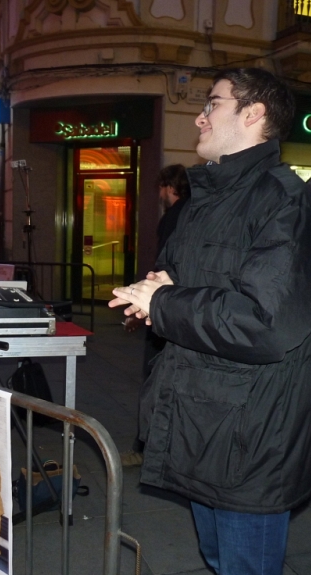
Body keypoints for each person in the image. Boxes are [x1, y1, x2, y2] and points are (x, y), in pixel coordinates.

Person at [110, 67, 311, 575]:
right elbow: (208, 283)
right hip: (201, 420)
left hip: (251, 434)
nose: (199, 115)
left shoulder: (285, 202)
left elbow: (266, 323)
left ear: (254, 115)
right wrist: (159, 292)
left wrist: (166, 302)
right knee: (218, 562)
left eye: (214, 103)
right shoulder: (209, 198)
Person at [121, 164, 190, 467]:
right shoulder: (194, 213)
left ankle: (146, 447)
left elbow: (163, 268)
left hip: (163, 307)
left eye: (161, 187)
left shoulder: (173, 217)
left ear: (168, 186)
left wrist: (140, 307)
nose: (160, 194)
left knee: (153, 379)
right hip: (179, 309)